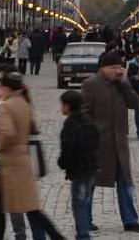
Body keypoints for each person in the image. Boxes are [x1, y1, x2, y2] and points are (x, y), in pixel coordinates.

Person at [0, 72, 64, 240]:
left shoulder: (5, 107)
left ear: (6, 88)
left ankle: (56, 236)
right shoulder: (23, 103)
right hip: (21, 161)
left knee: (23, 209)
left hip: (9, 165)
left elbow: (6, 134)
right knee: (7, 209)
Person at [81, 51, 139, 233]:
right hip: (99, 144)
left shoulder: (121, 84)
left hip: (119, 143)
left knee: (125, 182)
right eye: (114, 67)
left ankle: (130, 220)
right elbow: (83, 114)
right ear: (103, 68)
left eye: (120, 67)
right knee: (90, 184)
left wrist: (125, 85)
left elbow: (136, 104)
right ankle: (84, 219)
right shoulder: (91, 85)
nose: (118, 70)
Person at [59, 90, 99, 240]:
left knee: (79, 204)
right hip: (91, 168)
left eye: (62, 105)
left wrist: (63, 163)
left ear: (67, 106)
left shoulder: (71, 123)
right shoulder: (89, 121)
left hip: (79, 170)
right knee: (84, 199)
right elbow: (96, 142)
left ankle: (83, 235)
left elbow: (68, 148)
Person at [126, 47, 139, 139]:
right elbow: (129, 77)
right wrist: (135, 77)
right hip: (136, 91)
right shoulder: (132, 65)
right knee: (138, 112)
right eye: (138, 55)